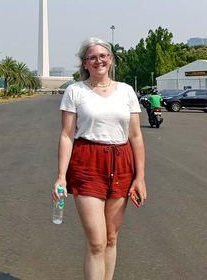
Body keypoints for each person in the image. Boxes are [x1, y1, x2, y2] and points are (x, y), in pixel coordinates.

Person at [52, 38, 146, 280]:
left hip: (121, 162)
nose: (98, 60)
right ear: (85, 63)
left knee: (112, 239)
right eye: (92, 57)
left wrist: (140, 178)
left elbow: (135, 136)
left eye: (102, 55)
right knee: (96, 241)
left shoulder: (126, 91)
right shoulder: (75, 91)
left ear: (110, 59)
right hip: (87, 163)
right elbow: (66, 135)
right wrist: (61, 177)